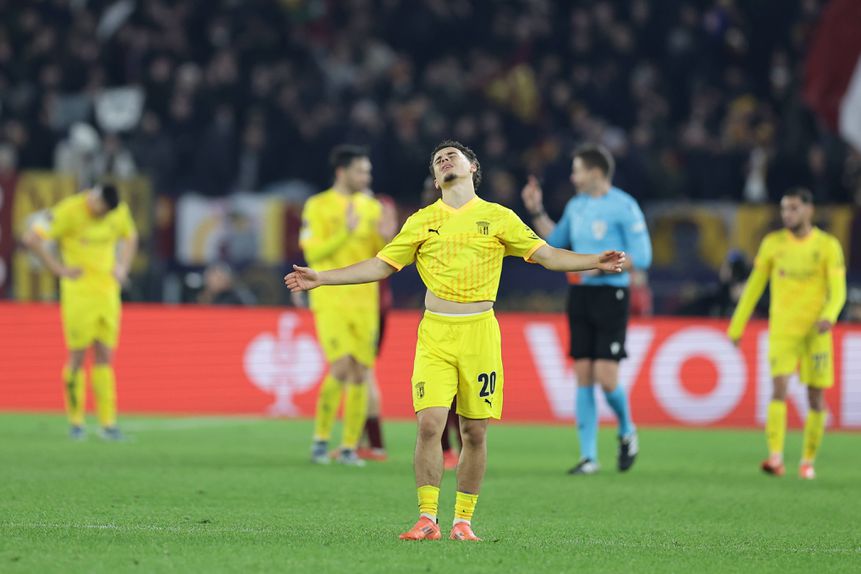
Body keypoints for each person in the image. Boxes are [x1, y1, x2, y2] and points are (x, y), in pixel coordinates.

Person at [286, 140, 625, 541]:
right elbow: (381, 265)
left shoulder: (498, 217)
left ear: (471, 166)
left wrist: (593, 261)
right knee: (429, 424)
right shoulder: (421, 220)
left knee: (474, 432)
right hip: (435, 333)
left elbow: (547, 255)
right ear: (435, 178)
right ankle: (427, 518)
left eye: (452, 155)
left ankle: (463, 521)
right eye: (437, 159)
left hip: (480, 333)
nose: (445, 159)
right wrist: (322, 277)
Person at [522, 143, 652, 475]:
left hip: (612, 295)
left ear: (595, 172)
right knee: (582, 374)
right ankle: (589, 457)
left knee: (606, 378)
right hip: (579, 296)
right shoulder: (577, 205)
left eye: (577, 169)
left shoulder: (624, 206)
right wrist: (536, 211)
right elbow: (556, 241)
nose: (572, 175)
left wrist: (603, 267)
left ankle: (626, 430)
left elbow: (643, 257)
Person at [727, 188, 845, 480]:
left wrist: (829, 316)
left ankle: (807, 461)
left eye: (793, 209)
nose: (787, 215)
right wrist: (736, 325)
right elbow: (754, 286)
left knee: (815, 398)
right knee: (778, 390)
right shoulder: (773, 244)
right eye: (783, 209)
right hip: (782, 330)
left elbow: (838, 289)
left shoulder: (828, 246)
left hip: (816, 332)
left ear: (809, 210)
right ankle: (776, 457)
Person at [300, 145, 395, 467]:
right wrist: (345, 231)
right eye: (361, 170)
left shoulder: (372, 207)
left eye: (368, 171)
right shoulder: (318, 205)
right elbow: (313, 255)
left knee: (361, 372)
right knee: (340, 366)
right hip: (330, 300)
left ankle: (350, 447)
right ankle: (320, 441)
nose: (367, 176)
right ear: (342, 172)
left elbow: (381, 257)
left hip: (366, 302)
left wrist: (386, 237)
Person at [22, 184, 138, 440]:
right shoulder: (67, 211)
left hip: (107, 293)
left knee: (105, 355)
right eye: (101, 211)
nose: (103, 217)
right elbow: (32, 238)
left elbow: (131, 235)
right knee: (77, 355)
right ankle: (76, 422)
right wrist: (58, 269)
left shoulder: (118, 212)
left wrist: (123, 267)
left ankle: (108, 424)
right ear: (94, 199)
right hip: (79, 293)